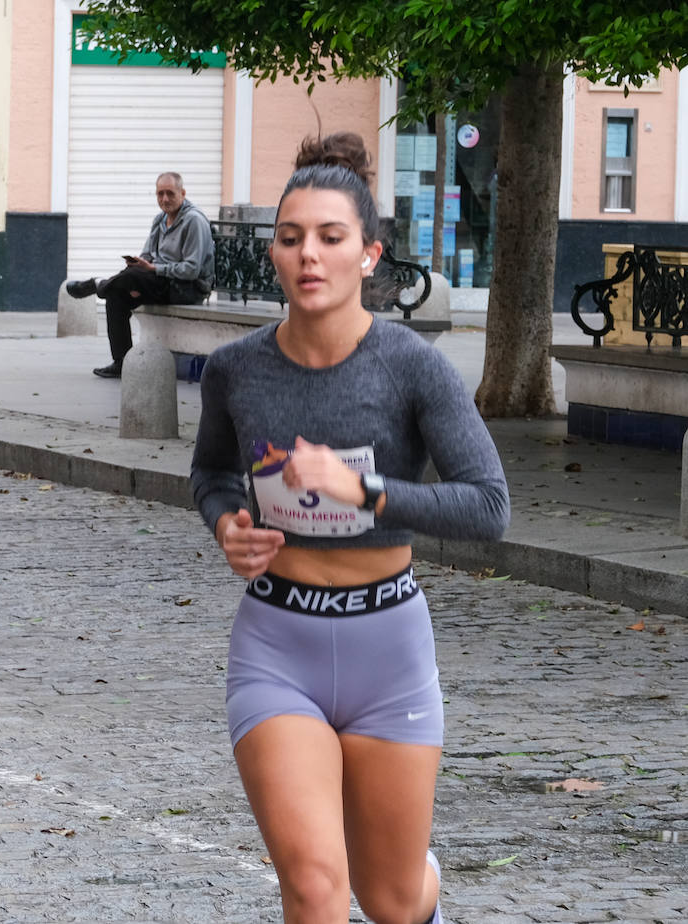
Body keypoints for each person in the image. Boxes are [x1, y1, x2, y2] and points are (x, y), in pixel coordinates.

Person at [189, 133, 510, 924]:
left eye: (331, 239)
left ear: (369, 255)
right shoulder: (236, 368)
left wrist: (363, 490)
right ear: (274, 253)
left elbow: (488, 505)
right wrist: (227, 521)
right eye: (291, 238)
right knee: (315, 889)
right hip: (277, 646)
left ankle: (414, 880)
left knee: (390, 899)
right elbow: (212, 474)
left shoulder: (412, 365)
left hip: (388, 649)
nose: (310, 256)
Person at [65, 171, 214, 377]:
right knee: (117, 294)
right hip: (159, 282)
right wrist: (141, 267)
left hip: (188, 288)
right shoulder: (159, 220)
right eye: (160, 194)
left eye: (170, 193)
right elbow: (147, 255)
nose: (164, 199)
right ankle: (122, 363)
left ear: (183, 193)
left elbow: (191, 270)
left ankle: (98, 284)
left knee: (130, 278)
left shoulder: (194, 221)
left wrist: (153, 270)